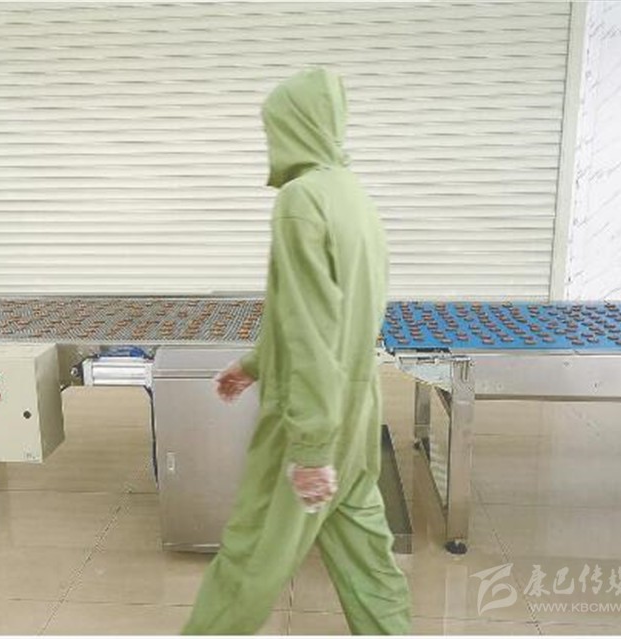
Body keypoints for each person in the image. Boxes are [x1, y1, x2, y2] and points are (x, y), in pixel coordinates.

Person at [182, 67, 411, 635]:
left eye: (274, 128)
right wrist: (254, 363)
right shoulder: (354, 197)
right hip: (358, 413)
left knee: (249, 561)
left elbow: (309, 329)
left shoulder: (301, 200)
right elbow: (325, 311)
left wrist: (310, 447)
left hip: (309, 416)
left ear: (296, 127)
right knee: (369, 564)